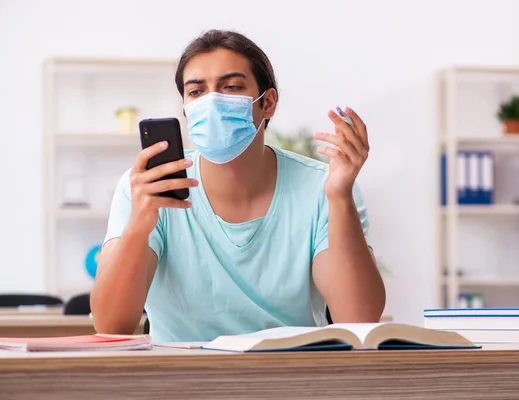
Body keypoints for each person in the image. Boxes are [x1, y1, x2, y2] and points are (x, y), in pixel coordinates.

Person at [90, 29, 386, 342]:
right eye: (196, 92)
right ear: (186, 111)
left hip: (289, 377)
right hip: (179, 379)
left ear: (268, 102)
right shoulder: (149, 189)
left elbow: (358, 319)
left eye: (231, 87)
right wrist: (139, 225)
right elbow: (110, 325)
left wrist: (339, 197)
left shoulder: (325, 188)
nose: (212, 102)